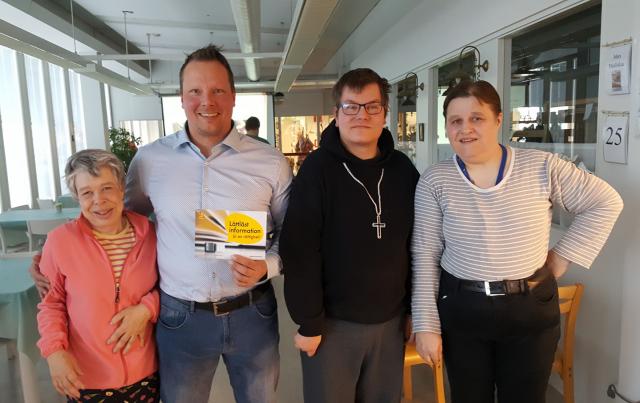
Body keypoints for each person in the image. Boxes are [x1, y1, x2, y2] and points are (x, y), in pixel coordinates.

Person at [32, 45, 292, 403]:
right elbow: (121, 221)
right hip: (180, 318)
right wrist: (53, 258)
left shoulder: (271, 162)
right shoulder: (149, 160)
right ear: (181, 98)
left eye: (217, 90)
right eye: (195, 91)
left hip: (252, 312)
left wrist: (268, 265)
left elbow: (293, 233)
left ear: (233, 97)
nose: (206, 101)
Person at [412, 80, 623, 403]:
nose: (465, 129)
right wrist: (426, 324)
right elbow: (425, 253)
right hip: (462, 307)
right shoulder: (435, 179)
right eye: (455, 121)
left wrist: (561, 257)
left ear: (498, 119)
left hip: (530, 309)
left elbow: (605, 202)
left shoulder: (541, 166)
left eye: (476, 118)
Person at [280, 68, 419, 403]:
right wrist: (309, 322)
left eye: (372, 106)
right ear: (337, 113)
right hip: (332, 326)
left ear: (384, 113)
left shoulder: (403, 169)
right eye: (351, 106)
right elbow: (300, 250)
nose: (361, 115)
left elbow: (418, 245)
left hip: (391, 323)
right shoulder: (317, 170)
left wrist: (415, 309)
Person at [37, 149, 158, 402]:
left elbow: (171, 285)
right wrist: (54, 352)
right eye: (87, 193)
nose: (98, 201)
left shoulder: (151, 234)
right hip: (87, 377)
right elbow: (51, 304)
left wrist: (147, 308)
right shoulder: (59, 241)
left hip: (146, 373)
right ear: (77, 198)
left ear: (122, 189)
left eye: (107, 188)